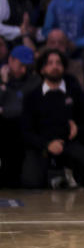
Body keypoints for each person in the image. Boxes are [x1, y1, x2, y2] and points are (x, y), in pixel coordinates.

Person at [21, 48, 84, 188]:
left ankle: (65, 176)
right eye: (50, 63)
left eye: (58, 63)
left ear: (64, 68)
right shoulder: (32, 96)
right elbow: (26, 132)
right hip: (41, 146)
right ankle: (56, 178)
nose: (55, 66)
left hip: (68, 144)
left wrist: (78, 129)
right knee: (31, 182)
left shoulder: (75, 93)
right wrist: (47, 145)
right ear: (42, 69)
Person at [0, 45, 40, 187]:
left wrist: (4, 108)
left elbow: (19, 108)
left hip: (22, 131)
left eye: (27, 66)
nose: (23, 70)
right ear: (10, 60)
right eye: (21, 65)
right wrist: (4, 83)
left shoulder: (33, 80)